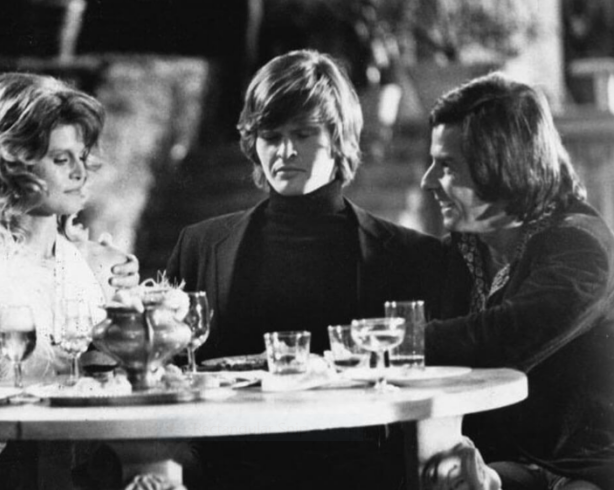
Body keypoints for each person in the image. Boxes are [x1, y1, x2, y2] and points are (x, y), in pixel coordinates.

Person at [164, 49, 445, 489]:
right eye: (271, 135)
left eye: (303, 133)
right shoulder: (200, 246)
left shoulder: (410, 256)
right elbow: (171, 378)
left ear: (339, 139)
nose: (285, 150)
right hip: (230, 475)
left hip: (358, 477)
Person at [423, 73, 614, 490]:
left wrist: (398, 346)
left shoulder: (581, 245)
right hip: (494, 461)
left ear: (502, 165)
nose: (428, 181)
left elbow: (507, 336)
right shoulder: (460, 250)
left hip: (578, 468)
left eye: (447, 166)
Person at [0, 72, 139, 386]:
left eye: (81, 156)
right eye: (60, 159)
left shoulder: (100, 266)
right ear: (13, 162)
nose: (80, 172)